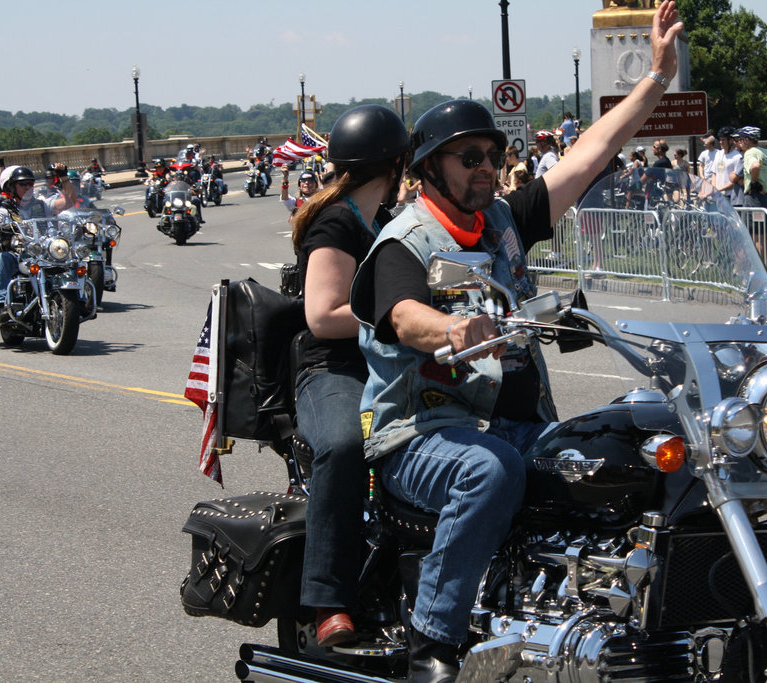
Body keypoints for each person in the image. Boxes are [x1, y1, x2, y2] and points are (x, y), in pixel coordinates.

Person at [349, 4, 683, 681]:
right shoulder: (405, 241)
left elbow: (590, 156)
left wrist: (653, 79)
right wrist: (450, 328)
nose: (487, 167)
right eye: (470, 157)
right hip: (420, 434)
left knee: (637, 435)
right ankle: (432, 641)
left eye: (493, 155)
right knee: (488, 470)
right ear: (429, 168)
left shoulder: (502, 220)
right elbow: (404, 315)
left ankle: (641, 618)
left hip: (516, 425)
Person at [291, 104, 408, 649]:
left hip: (381, 361)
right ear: (394, 166)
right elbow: (322, 315)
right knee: (341, 444)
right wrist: (407, 314)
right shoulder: (337, 221)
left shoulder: (383, 222)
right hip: (331, 367)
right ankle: (327, 601)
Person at [0, 152, 76, 315]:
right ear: (12, 187)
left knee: (72, 258)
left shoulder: (42, 205)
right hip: (19, 254)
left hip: (44, 253)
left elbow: (69, 201)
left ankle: (79, 297)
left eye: (31, 184)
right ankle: (1, 303)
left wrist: (64, 177)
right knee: (1, 256)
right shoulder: (5, 208)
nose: (28, 187)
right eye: (23, 184)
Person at [735, 125, 767, 259]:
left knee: (756, 237)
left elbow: (755, 166)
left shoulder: (750, 153)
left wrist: (754, 182)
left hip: (754, 199)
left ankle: (759, 272)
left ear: (746, 140)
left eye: (740, 139)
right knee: (765, 235)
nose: (739, 143)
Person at [710, 126, 744, 208]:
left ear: (731, 140)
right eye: (720, 140)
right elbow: (714, 173)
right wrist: (714, 188)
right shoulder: (718, 154)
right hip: (718, 196)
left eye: (723, 140)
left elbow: (735, 180)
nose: (721, 142)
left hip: (730, 197)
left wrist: (719, 189)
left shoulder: (737, 157)